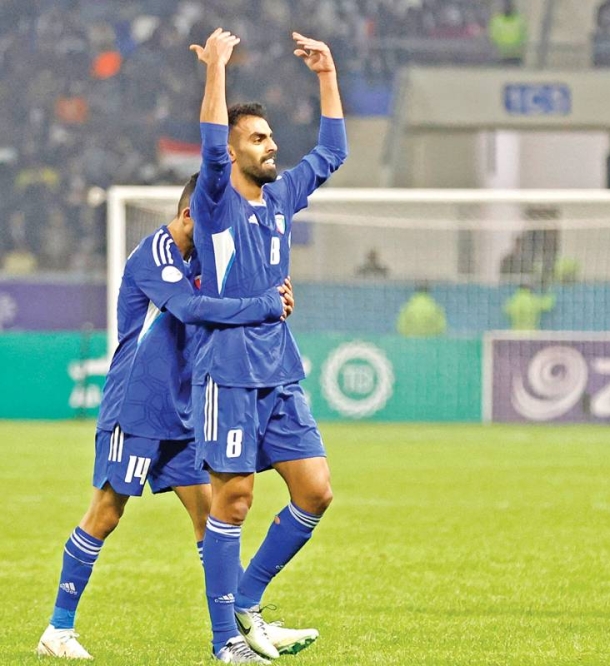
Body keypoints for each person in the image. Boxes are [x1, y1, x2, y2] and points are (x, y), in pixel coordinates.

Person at [36, 175, 294, 660]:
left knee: (209, 517)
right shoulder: (154, 254)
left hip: (182, 411)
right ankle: (58, 629)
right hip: (137, 406)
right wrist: (262, 305)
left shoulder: (206, 259)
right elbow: (192, 309)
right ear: (190, 214)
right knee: (107, 513)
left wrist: (276, 300)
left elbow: (238, 294)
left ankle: (239, 627)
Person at [189, 29, 348, 663]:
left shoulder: (281, 197)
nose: (271, 144)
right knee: (234, 501)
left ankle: (247, 600)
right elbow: (209, 142)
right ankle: (225, 641)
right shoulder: (215, 202)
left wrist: (327, 75)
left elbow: (332, 151)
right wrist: (217, 70)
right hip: (227, 373)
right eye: (257, 138)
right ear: (232, 151)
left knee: (315, 490)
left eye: (271, 135)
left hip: (279, 369)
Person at [488, 0, 528, 65]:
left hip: (515, 54)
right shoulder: (497, 21)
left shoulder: (519, 20)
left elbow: (524, 36)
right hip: (503, 55)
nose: (508, 9)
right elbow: (493, 36)